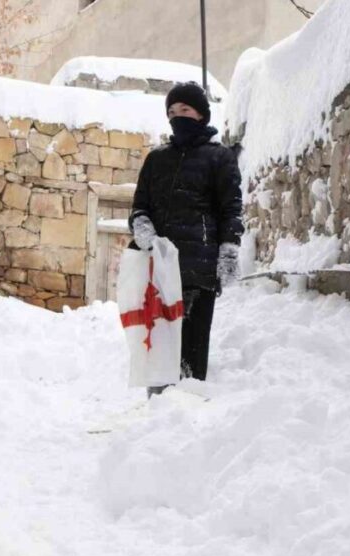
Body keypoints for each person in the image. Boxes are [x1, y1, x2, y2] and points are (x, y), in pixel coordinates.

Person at [128, 81, 244, 388]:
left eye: (185, 109)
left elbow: (231, 210)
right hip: (159, 271)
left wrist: (229, 249)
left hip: (198, 270)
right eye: (171, 112)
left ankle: (188, 406)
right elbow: (139, 207)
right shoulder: (156, 160)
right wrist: (144, 230)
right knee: (158, 352)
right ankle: (158, 408)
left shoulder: (219, 158)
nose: (177, 116)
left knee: (191, 353)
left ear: (201, 115)